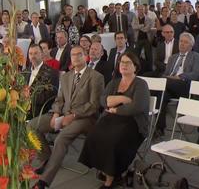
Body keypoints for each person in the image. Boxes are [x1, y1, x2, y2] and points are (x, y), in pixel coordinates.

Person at [30, 46, 104, 189]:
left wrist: (74, 115)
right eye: (73, 55)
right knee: (32, 126)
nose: (75, 57)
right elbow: (59, 100)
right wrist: (57, 113)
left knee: (61, 138)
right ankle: (47, 158)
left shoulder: (96, 77)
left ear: (85, 56)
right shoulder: (65, 76)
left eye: (79, 54)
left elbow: (94, 105)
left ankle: (43, 182)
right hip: (62, 114)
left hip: (85, 118)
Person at [78, 52, 149, 189]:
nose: (124, 65)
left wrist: (116, 109)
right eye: (122, 62)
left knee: (113, 140)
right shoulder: (114, 82)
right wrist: (123, 99)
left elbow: (137, 107)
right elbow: (103, 100)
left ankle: (110, 179)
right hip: (110, 119)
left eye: (128, 63)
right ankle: (107, 170)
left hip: (132, 122)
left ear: (135, 67)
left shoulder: (140, 84)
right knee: (94, 135)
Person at [156, 33, 199, 135]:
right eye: (181, 41)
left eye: (185, 42)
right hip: (170, 86)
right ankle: (159, 128)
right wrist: (168, 78)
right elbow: (166, 74)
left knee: (161, 82)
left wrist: (180, 76)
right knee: (161, 95)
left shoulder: (196, 56)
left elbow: (196, 74)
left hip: (186, 86)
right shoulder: (173, 57)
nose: (182, 44)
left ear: (191, 45)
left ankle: (149, 91)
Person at [25, 44, 59, 119]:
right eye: (30, 54)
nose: (33, 56)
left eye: (36, 53)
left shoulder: (52, 73)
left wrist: (29, 95)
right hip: (22, 109)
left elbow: (50, 97)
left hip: (40, 112)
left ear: (42, 54)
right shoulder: (25, 72)